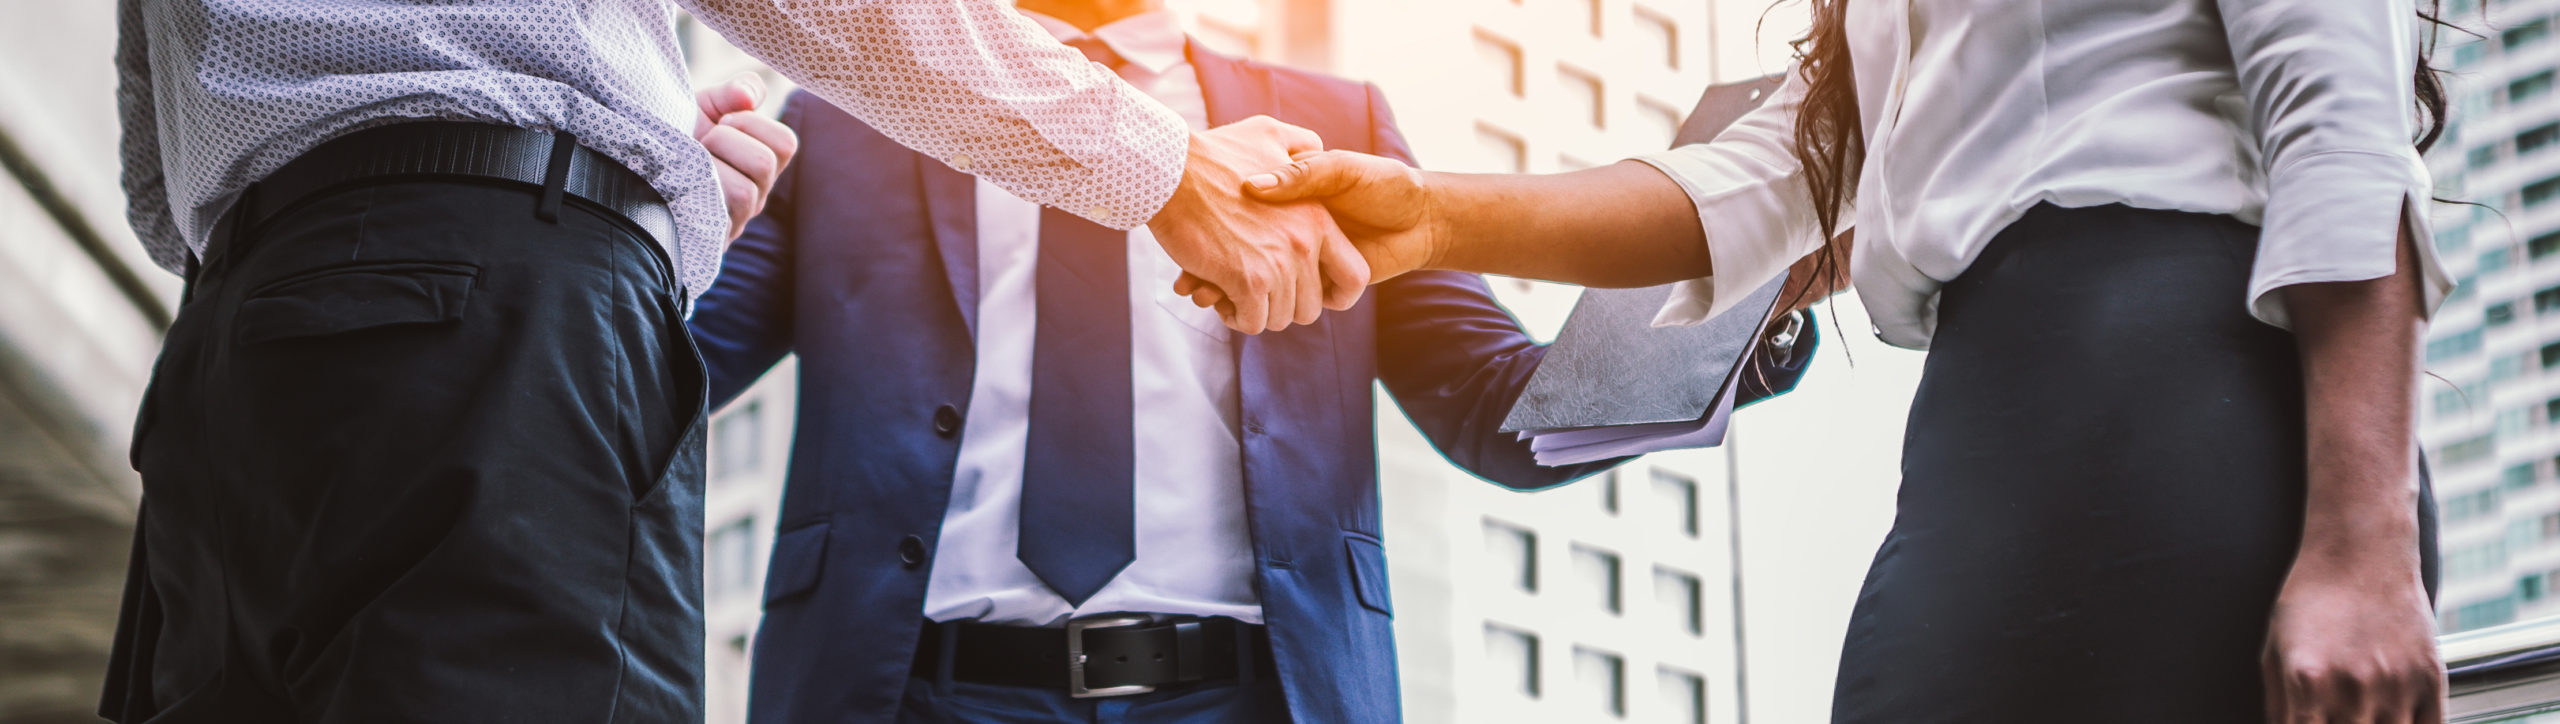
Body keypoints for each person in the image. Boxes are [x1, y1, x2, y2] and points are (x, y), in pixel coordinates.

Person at [102, 0, 1359, 721]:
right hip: (496, 329)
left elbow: (163, 178)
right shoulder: (848, 147)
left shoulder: (1339, 112)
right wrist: (1163, 163)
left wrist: (634, 188)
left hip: (245, 341)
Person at [1232, 1, 2457, 721]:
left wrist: (2364, 548)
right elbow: (1765, 175)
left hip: (2189, 399)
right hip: (1993, 422)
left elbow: (2340, 136)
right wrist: (1436, 218)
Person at [685, 3, 1820, 722]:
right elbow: (661, 381)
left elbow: (1494, 406)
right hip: (913, 690)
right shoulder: (848, 115)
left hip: (1253, 693)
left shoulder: (1336, 120)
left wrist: (1748, 256)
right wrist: (663, 217)